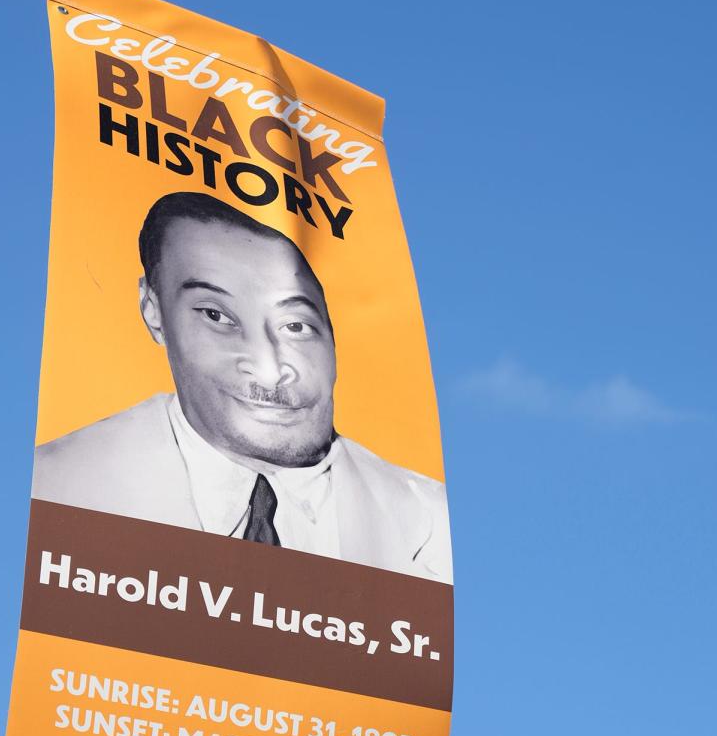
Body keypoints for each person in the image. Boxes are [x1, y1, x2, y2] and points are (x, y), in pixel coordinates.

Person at [32, 192, 452, 583]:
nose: (271, 370)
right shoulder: (52, 489)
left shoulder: (435, 523)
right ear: (153, 311)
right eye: (216, 316)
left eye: (295, 325)